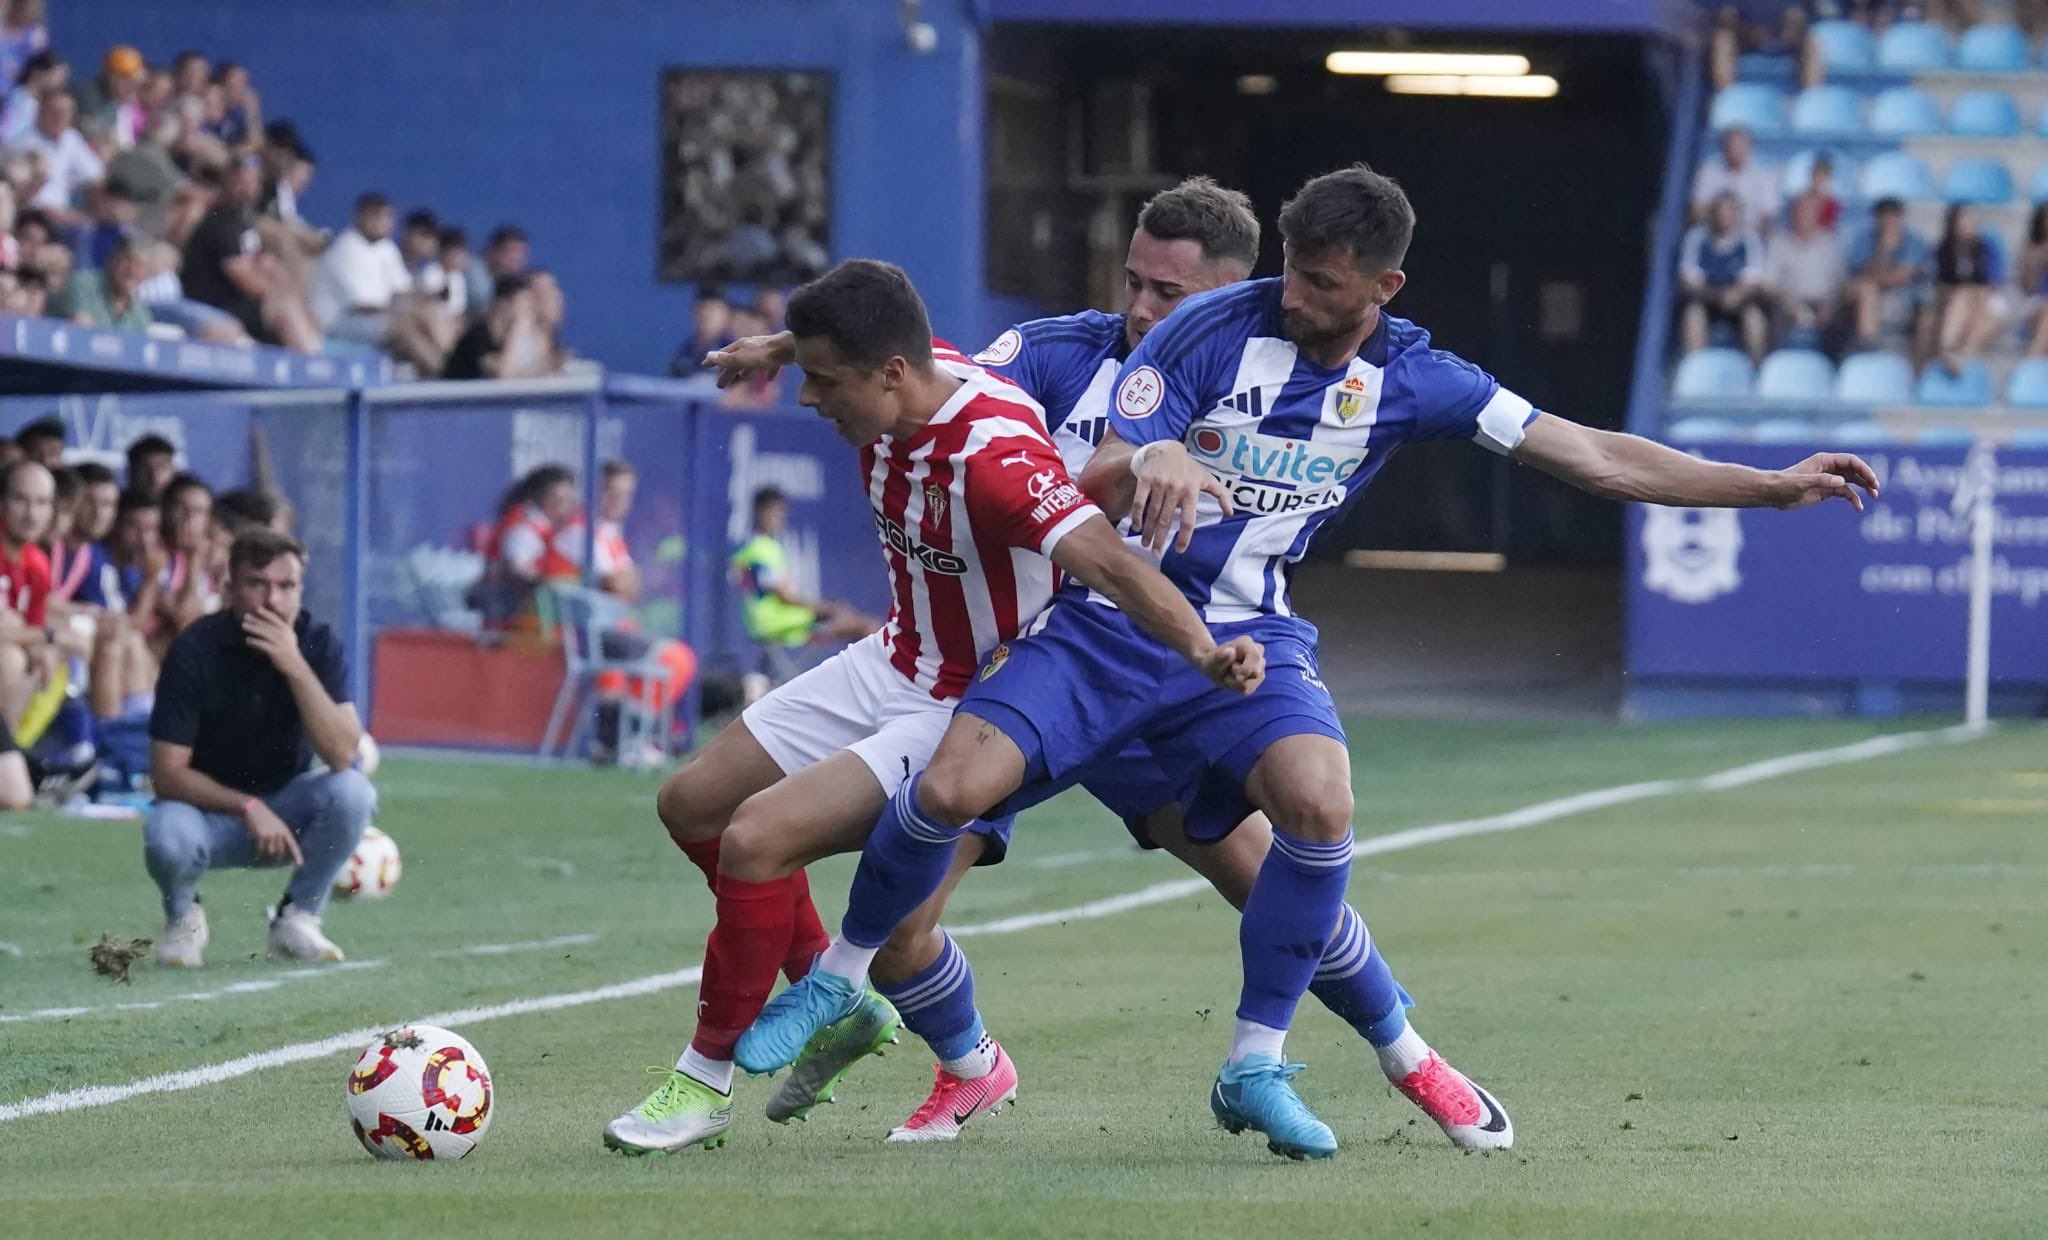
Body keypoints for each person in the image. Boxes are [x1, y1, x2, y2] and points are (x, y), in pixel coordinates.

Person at [742, 165, 1880, 1162]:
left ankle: (1366, 1057)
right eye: (1288, 273)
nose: (1292, 297)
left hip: (1230, 649)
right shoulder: (1176, 333)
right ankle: (905, 1025)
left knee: (1311, 824)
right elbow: (1041, 416)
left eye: (1322, 283)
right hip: (1088, 636)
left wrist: (1768, 483)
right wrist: (1157, 454)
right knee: (929, 838)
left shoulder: (1417, 378)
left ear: (1383, 288)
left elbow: (1588, 456)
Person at [688, 177, 1492, 1149]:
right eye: (1135, 282)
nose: (1143, 309)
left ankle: (1406, 1051)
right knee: (904, 928)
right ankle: (970, 1065)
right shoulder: (1051, 351)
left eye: (1170, 294)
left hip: (1162, 669)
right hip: (1036, 668)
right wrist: (785, 349)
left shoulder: (1267, 371)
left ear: (1238, 296)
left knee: (1281, 879)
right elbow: (913, 371)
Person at [600, 258, 1262, 1157]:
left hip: (968, 701)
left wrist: (1202, 651)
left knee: (759, 841)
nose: (807, 399)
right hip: (893, 655)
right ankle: (837, 1005)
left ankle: (701, 1081)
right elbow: (868, 322)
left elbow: (1108, 561)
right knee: (691, 804)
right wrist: (776, 345)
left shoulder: (996, 458)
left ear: (890, 377)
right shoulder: (909, 362)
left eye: (823, 382)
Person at [144, 528, 373, 968]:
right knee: (164, 834)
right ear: (229, 588)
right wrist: (248, 806)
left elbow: (345, 755)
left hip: (290, 812)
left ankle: (298, 917)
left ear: (300, 589)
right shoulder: (194, 648)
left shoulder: (318, 643)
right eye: (257, 584)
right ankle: (183, 918)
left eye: (286, 586)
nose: (273, 600)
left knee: (354, 792)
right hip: (207, 815)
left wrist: (295, 666)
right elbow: (166, 773)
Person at [730, 485, 873, 685]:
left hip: (777, 623)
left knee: (850, 618)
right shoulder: (761, 549)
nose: (780, 518)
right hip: (780, 625)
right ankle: (862, 691)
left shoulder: (756, 548)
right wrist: (825, 607)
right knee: (867, 627)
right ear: (760, 512)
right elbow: (783, 596)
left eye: (781, 513)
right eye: (774, 512)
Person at [472, 463, 579, 628]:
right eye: (559, 499)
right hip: (512, 622)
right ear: (543, 498)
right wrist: (552, 586)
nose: (566, 506)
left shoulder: (546, 528)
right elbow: (515, 571)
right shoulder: (523, 528)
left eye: (568, 499)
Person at [1679, 191, 1769, 362]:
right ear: (1712, 213)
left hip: (1739, 302)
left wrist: (1735, 295)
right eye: (1719, 210)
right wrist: (1717, 296)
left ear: (1737, 214)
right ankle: (1694, 370)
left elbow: (1752, 281)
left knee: (1754, 319)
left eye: (1729, 210)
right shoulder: (1696, 237)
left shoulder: (1749, 239)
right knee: (1693, 315)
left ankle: (1755, 369)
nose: (1723, 215)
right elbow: (1689, 282)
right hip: (1706, 299)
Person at [1924, 203, 2008, 373]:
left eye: (1972, 218)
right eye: (1965, 219)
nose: (1971, 222)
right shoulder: (1943, 250)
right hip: (1954, 301)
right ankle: (1949, 346)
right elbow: (1937, 282)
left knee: (1995, 314)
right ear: (1954, 222)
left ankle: (1961, 353)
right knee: (1962, 298)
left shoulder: (1986, 248)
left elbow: (1995, 281)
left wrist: (1977, 294)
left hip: (1983, 298)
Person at [1843, 197, 1930, 351]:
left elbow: (1900, 277)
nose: (1888, 222)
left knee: (1867, 286)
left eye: (1893, 217)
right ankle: (1868, 344)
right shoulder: (1864, 239)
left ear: (1900, 218)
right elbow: (1858, 272)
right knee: (1865, 290)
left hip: (1905, 296)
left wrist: (1873, 279)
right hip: (1867, 294)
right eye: (1883, 217)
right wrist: (1883, 251)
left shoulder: (1914, 241)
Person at [1765, 194, 1846, 347]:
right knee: (1775, 314)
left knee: (1840, 320)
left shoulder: (1829, 243)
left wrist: (1830, 306)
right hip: (1789, 302)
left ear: (1816, 215)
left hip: (1824, 302)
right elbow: (1769, 283)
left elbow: (1841, 281)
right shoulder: (1778, 242)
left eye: (1808, 211)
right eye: (1799, 211)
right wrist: (1789, 302)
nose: (1803, 216)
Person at [1690, 127, 1780, 235]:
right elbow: (1696, 211)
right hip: (1711, 234)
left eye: (1740, 146)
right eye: (1731, 145)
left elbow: (1768, 216)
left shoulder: (1765, 177)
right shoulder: (1707, 172)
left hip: (1749, 237)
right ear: (1723, 148)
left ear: (1750, 148)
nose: (1735, 150)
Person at [124, 433, 175, 499]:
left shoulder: (187, 505)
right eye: (145, 469)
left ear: (173, 471)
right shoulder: (116, 506)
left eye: (161, 467)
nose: (154, 476)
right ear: (131, 472)